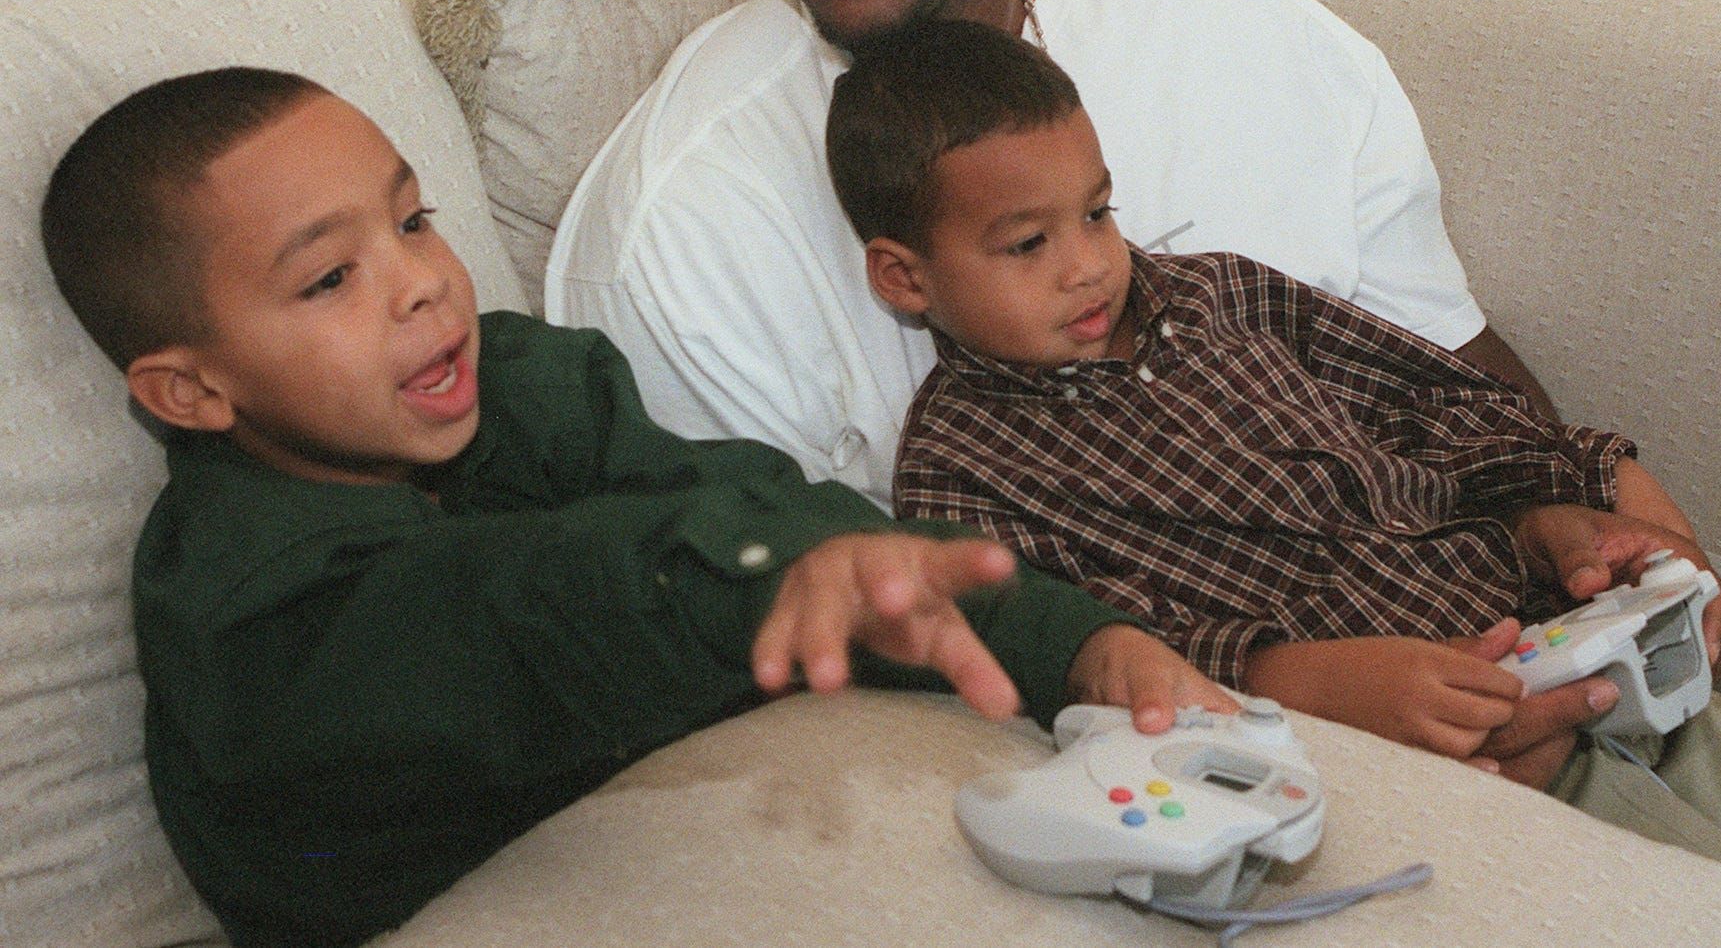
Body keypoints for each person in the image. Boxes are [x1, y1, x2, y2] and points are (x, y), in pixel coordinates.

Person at [544, 0, 1721, 794]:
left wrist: (1612, 524)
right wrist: (1321, 706)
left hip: (1537, 640)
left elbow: (1451, 376)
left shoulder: (1236, 23)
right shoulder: (679, 235)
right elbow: (794, 667)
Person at [38, 67, 1236, 948]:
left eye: (412, 222)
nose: (420, 285)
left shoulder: (512, 386)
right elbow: (529, 607)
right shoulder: (249, 609)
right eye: (330, 278)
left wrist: (1078, 643)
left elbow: (755, 507)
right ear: (191, 390)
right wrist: (754, 575)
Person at [823, 16, 1721, 891]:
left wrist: (1563, 505)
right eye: (1028, 244)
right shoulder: (962, 470)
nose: (1088, 262)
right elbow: (1083, 663)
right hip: (1444, 780)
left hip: (1587, 653)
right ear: (904, 278)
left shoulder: (1224, 295)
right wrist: (1303, 681)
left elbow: (1438, 406)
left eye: (1097, 211)